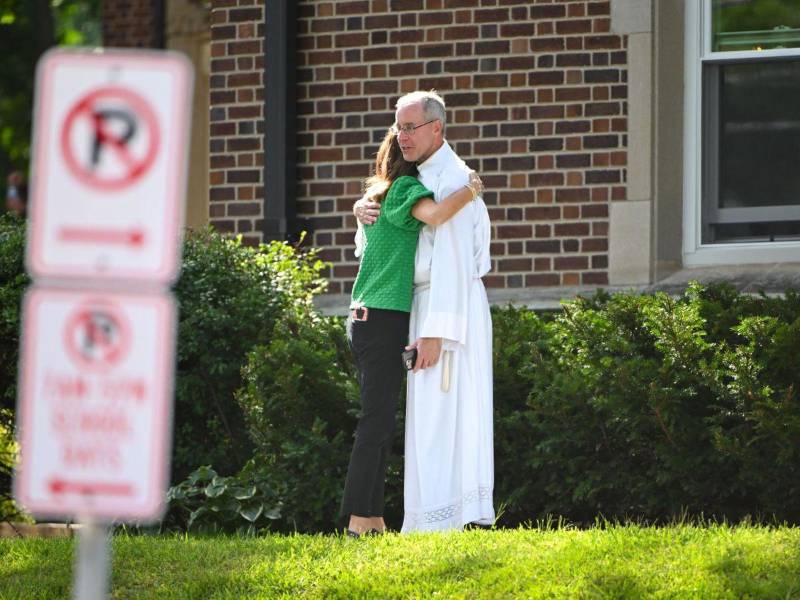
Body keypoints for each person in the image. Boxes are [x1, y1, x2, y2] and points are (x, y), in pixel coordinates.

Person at [354, 90, 494, 532]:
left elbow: (451, 257)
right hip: (412, 307)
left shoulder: (451, 177)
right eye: (398, 127)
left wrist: (436, 331)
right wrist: (361, 211)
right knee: (425, 419)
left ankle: (447, 520)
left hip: (444, 310)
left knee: (442, 418)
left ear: (437, 128)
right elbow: (373, 246)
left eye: (410, 126)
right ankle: (423, 518)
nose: (402, 135)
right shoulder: (415, 177)